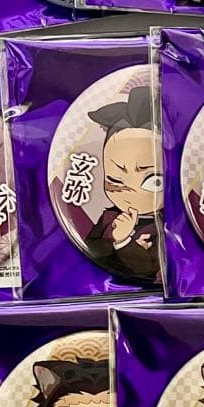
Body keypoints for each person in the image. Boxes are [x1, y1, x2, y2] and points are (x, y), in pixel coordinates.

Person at [81, 85, 161, 285]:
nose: (130, 193)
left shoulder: (164, 226)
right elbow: (90, 248)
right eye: (115, 181)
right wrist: (115, 240)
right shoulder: (109, 217)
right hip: (99, 286)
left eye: (154, 181)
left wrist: (124, 241)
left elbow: (149, 268)